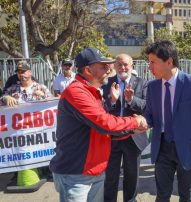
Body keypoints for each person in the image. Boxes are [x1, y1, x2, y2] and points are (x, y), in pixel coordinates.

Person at [49, 48, 148, 202]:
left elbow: (102, 126)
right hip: (77, 173)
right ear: (88, 70)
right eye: (103, 66)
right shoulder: (77, 92)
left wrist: (134, 129)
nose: (109, 69)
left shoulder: (92, 91)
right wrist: (136, 121)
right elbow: (104, 123)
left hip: (94, 170)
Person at [144, 40, 191, 201]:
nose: (149, 66)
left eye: (153, 62)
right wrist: (140, 123)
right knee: (162, 195)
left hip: (188, 148)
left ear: (169, 61)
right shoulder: (152, 87)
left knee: (186, 195)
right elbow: (149, 115)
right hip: (162, 147)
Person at [102, 54, 148, 202]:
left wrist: (131, 100)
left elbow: (147, 108)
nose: (123, 67)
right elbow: (100, 109)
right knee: (110, 177)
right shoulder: (106, 83)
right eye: (119, 64)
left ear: (132, 65)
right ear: (114, 66)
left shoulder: (142, 83)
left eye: (126, 64)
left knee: (132, 177)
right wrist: (112, 101)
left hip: (133, 138)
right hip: (111, 138)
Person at [1, 61, 52, 191]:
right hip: (17, 129)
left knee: (38, 150)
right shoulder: (13, 89)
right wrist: (5, 98)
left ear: (30, 72)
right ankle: (18, 172)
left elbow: (51, 104)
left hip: (37, 130)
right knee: (21, 151)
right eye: (19, 72)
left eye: (23, 71)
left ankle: (44, 170)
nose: (21, 74)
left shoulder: (40, 87)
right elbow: (2, 98)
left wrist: (44, 97)